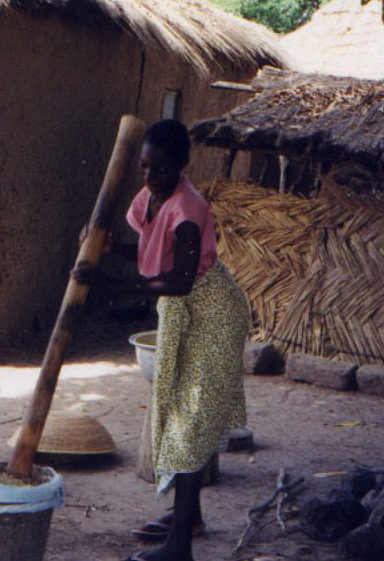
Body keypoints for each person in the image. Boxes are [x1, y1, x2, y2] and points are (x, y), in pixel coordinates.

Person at [73, 119, 249, 561]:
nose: (151, 177)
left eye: (161, 170)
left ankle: (180, 549)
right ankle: (188, 516)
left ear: (182, 167)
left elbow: (180, 280)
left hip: (211, 314)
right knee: (177, 412)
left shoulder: (187, 212)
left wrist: (108, 283)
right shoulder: (151, 196)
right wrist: (111, 249)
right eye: (146, 167)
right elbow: (153, 254)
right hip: (181, 309)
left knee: (191, 421)